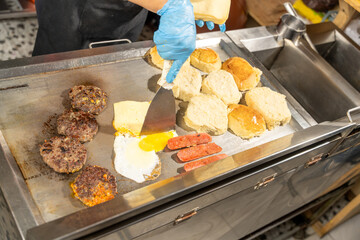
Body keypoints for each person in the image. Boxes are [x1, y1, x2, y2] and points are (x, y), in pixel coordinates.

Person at [33, 0, 228, 83]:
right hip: (78, 9)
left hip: (126, 9)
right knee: (58, 75)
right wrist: (170, 5)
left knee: (112, 69)